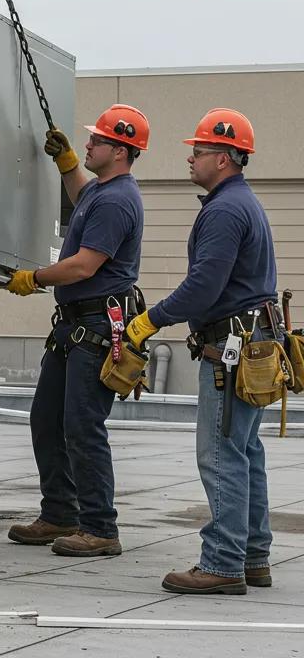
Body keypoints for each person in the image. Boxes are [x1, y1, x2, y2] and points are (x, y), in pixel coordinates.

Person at [125, 109, 278, 595]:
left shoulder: (225, 210)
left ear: (226, 158)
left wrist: (151, 320)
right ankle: (252, 556)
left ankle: (223, 563)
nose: (191, 158)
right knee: (245, 451)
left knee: (220, 455)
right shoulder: (242, 203)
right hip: (253, 345)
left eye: (200, 151)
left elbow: (203, 286)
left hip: (231, 350)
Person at [4, 105, 147, 557]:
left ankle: (100, 527)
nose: (87, 145)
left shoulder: (117, 200)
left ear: (120, 151)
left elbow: (85, 264)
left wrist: (36, 278)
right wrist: (68, 165)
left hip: (95, 327)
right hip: (73, 328)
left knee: (83, 427)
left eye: (96, 141)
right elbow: (83, 194)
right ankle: (60, 513)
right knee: (46, 420)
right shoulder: (101, 191)